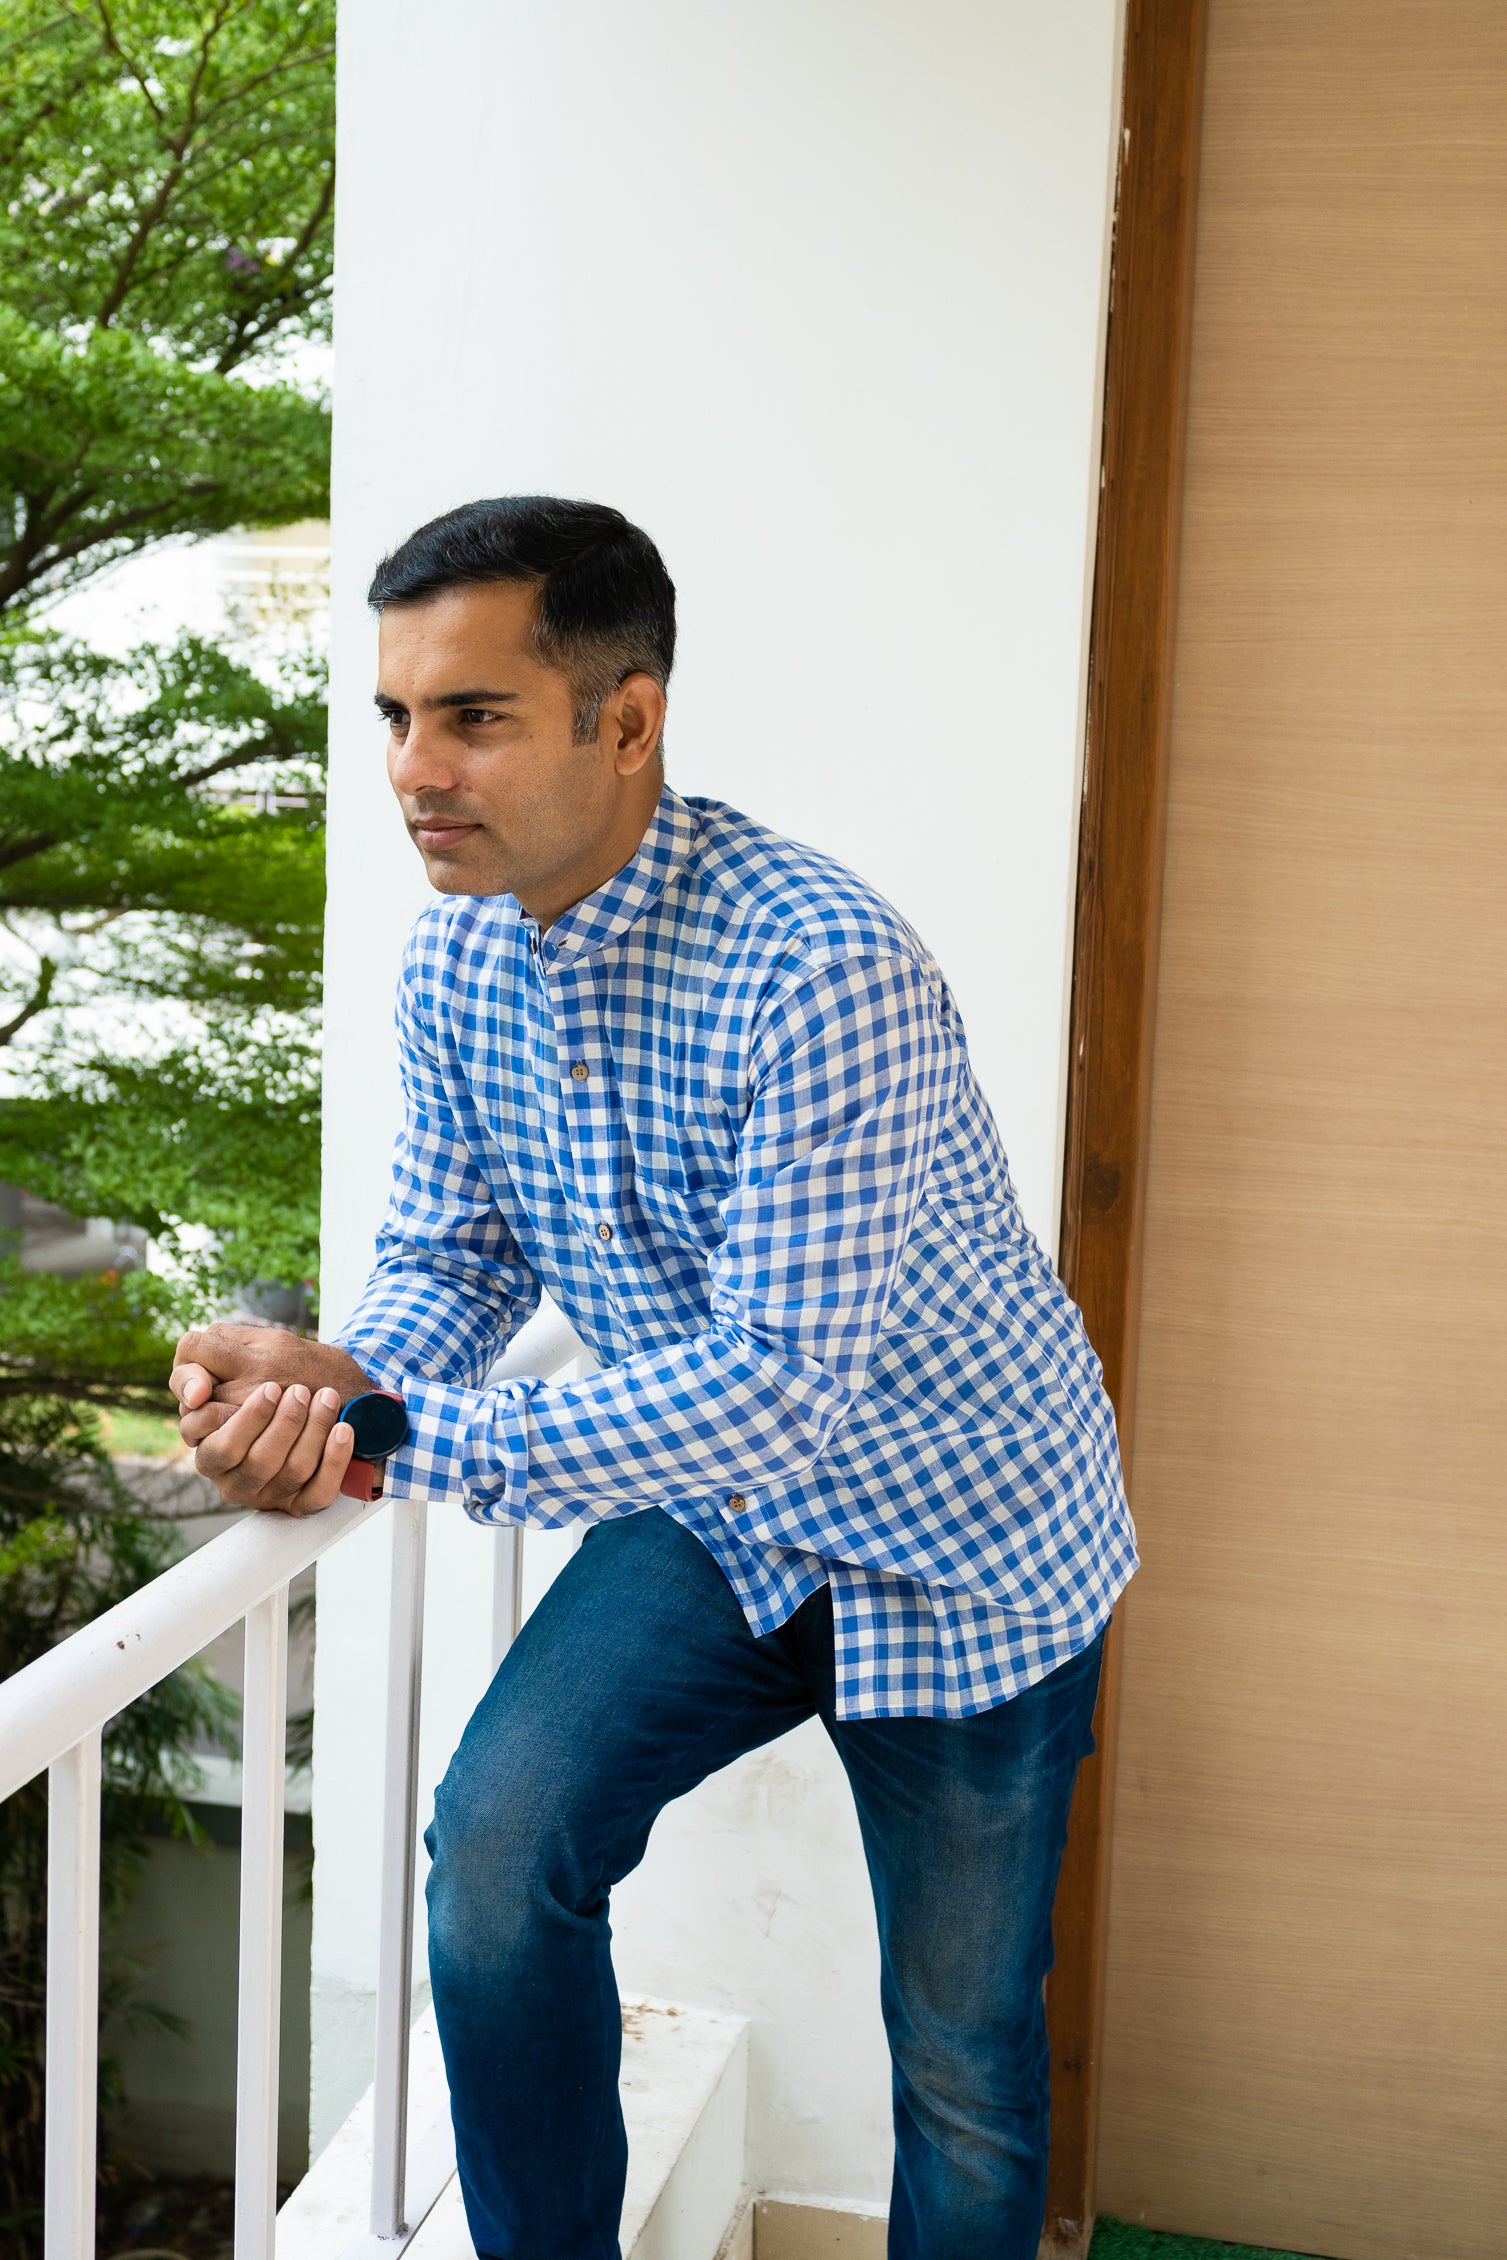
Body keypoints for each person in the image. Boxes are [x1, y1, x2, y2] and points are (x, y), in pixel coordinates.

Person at [172, 496, 1138, 2260]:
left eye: (473, 716)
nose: (413, 767)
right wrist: (332, 1378)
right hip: (720, 1519)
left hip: (967, 1541)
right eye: (394, 715)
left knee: (962, 2056)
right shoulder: (455, 959)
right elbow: (456, 1259)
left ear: (629, 723)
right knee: (495, 1862)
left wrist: (386, 1437)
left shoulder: (824, 969)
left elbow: (774, 1388)